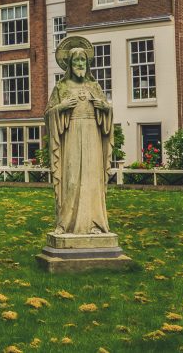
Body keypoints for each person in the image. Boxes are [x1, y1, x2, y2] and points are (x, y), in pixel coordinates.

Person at [45, 37, 112, 235]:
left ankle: (94, 224)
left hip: (93, 137)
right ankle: (66, 223)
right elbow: (48, 115)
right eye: (76, 61)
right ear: (69, 64)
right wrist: (62, 108)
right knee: (71, 179)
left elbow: (107, 113)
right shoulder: (61, 88)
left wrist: (105, 108)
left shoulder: (95, 87)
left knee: (93, 180)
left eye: (83, 61)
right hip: (71, 138)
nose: (80, 64)